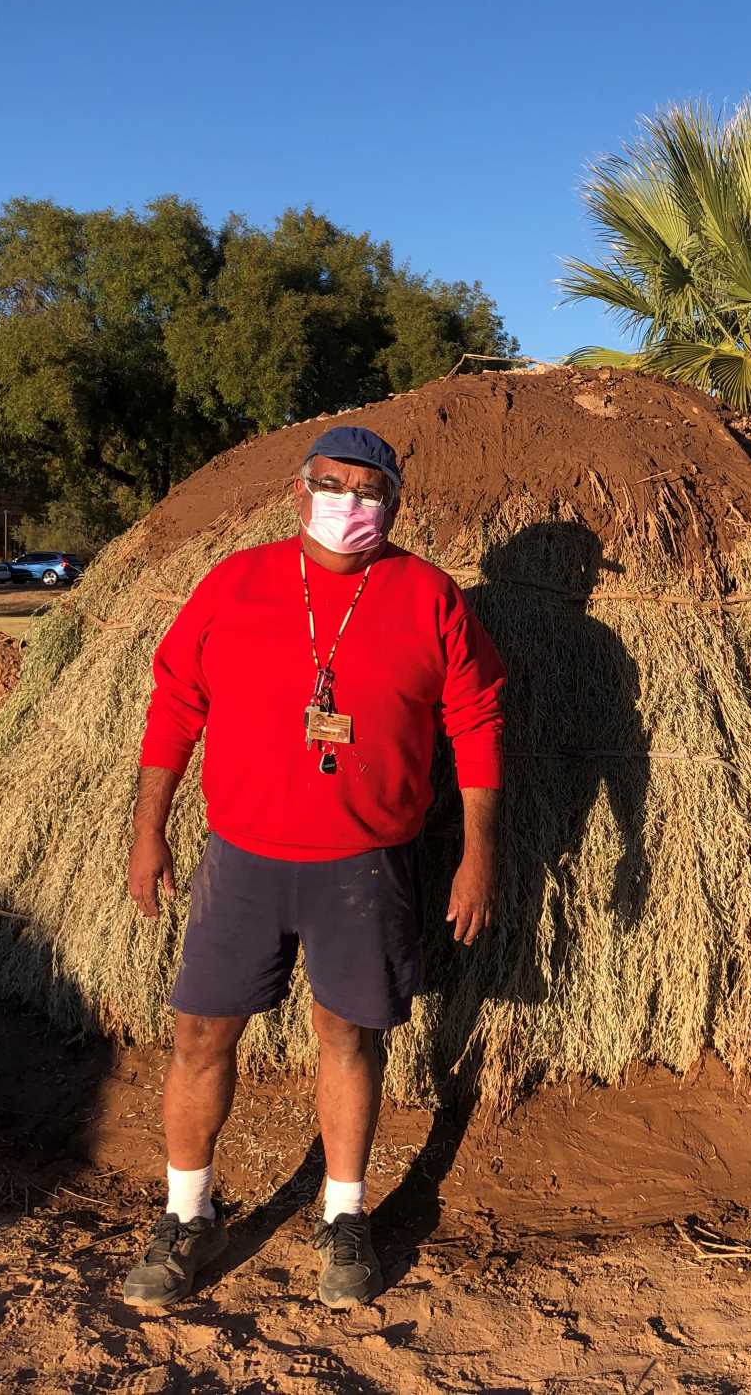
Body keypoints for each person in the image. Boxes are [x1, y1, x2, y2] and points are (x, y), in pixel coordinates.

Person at [117, 426, 505, 1313]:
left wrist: (480, 852)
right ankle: (188, 1214)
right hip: (242, 859)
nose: (349, 505)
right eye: (333, 485)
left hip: (363, 866)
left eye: (370, 491)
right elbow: (177, 700)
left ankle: (344, 1215)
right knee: (201, 1035)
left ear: (395, 505)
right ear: (298, 493)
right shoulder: (236, 582)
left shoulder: (425, 595)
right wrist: (150, 828)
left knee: (349, 1036)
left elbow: (476, 721)